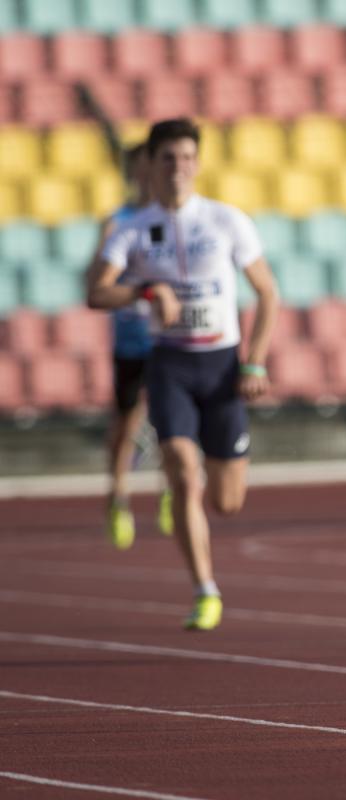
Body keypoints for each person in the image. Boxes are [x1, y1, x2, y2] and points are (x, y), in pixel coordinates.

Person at [87, 118, 279, 631]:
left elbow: (267, 292)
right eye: (168, 158)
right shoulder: (130, 228)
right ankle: (205, 590)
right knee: (181, 467)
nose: (179, 168)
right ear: (149, 165)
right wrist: (145, 292)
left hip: (221, 366)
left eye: (188, 158)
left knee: (227, 501)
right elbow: (95, 292)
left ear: (198, 163)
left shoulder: (225, 220)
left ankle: (190, 483)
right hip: (169, 362)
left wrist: (255, 360)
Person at [84, 143, 174, 550]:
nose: (147, 177)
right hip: (131, 340)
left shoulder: (174, 220)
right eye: (140, 170)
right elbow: (95, 283)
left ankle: (172, 491)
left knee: (173, 423)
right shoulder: (118, 222)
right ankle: (118, 498)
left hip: (170, 338)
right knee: (126, 423)